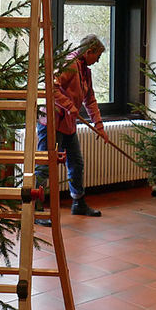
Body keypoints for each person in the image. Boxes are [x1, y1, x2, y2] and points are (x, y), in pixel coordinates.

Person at [36, 34, 109, 222]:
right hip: (51, 122)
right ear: (89, 51)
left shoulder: (86, 71)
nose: (98, 60)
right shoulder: (69, 64)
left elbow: (90, 99)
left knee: (76, 163)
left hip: (69, 125)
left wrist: (99, 125)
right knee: (45, 165)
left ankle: (78, 203)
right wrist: (69, 105)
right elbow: (50, 87)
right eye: (98, 56)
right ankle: (34, 209)